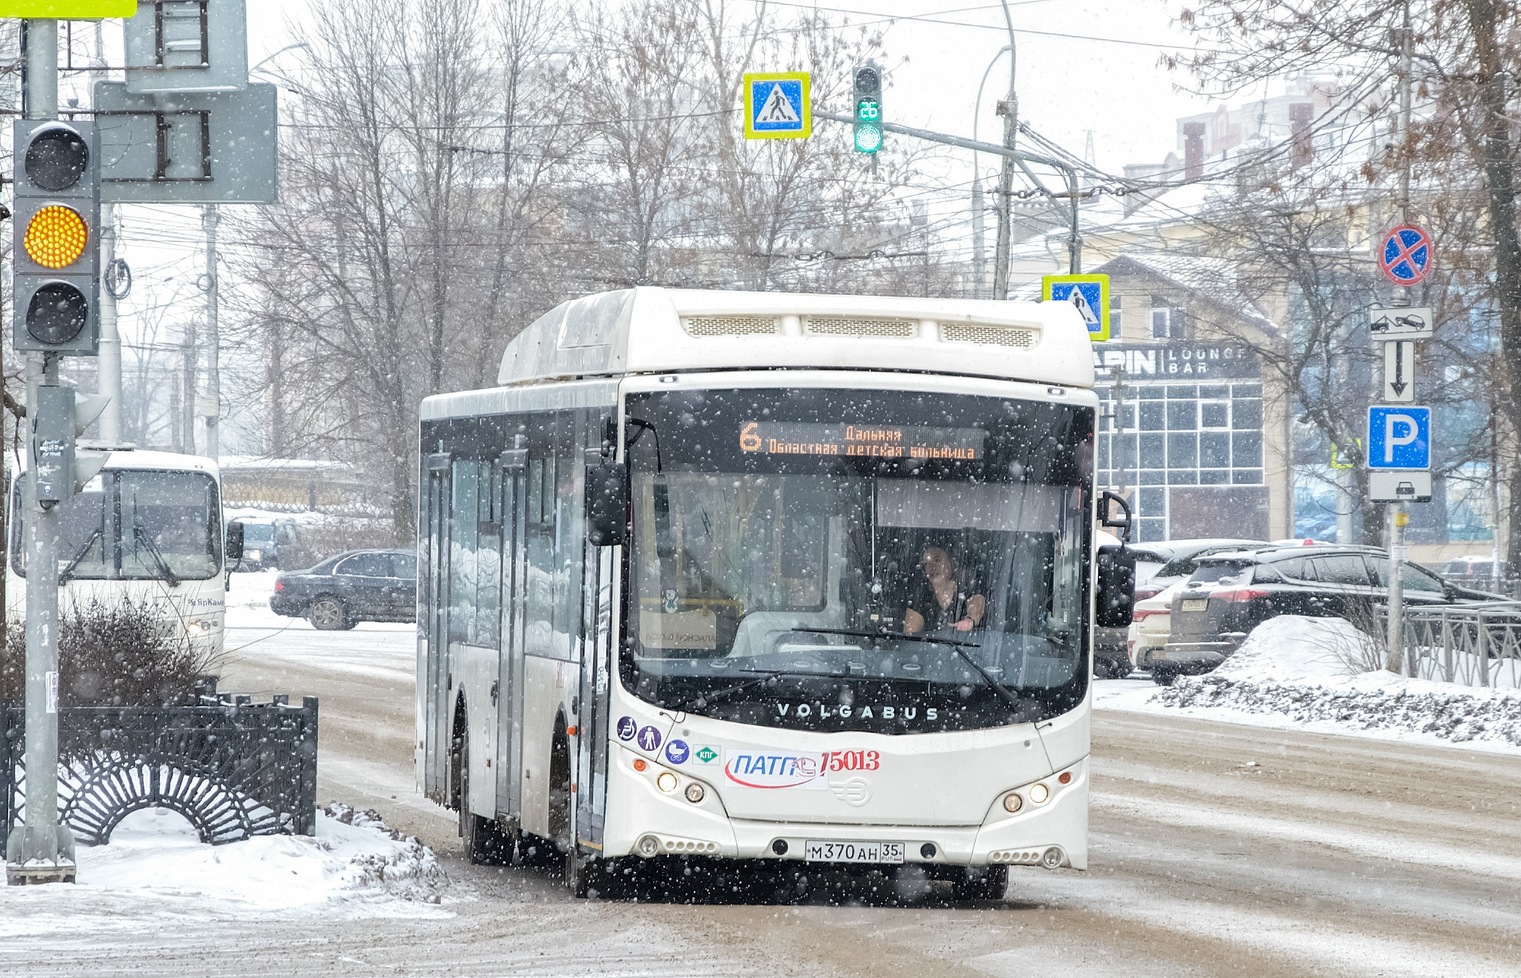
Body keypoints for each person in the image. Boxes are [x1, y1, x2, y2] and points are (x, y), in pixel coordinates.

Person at [903, 542, 985, 634]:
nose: (932, 567)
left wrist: (970, 620)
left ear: (952, 563)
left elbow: (977, 603)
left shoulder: (966, 590)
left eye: (937, 560)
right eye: (926, 563)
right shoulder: (921, 600)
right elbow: (909, 636)